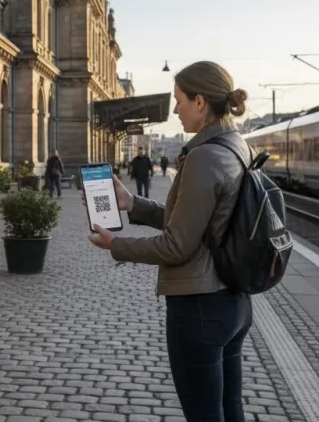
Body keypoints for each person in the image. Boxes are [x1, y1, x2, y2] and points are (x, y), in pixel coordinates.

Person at [87, 61, 253, 422]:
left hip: (199, 307)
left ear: (200, 102)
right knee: (230, 409)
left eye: (179, 100)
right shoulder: (236, 145)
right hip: (233, 302)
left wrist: (116, 245)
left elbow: (177, 245)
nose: (175, 109)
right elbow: (200, 223)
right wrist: (133, 204)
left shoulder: (204, 156)